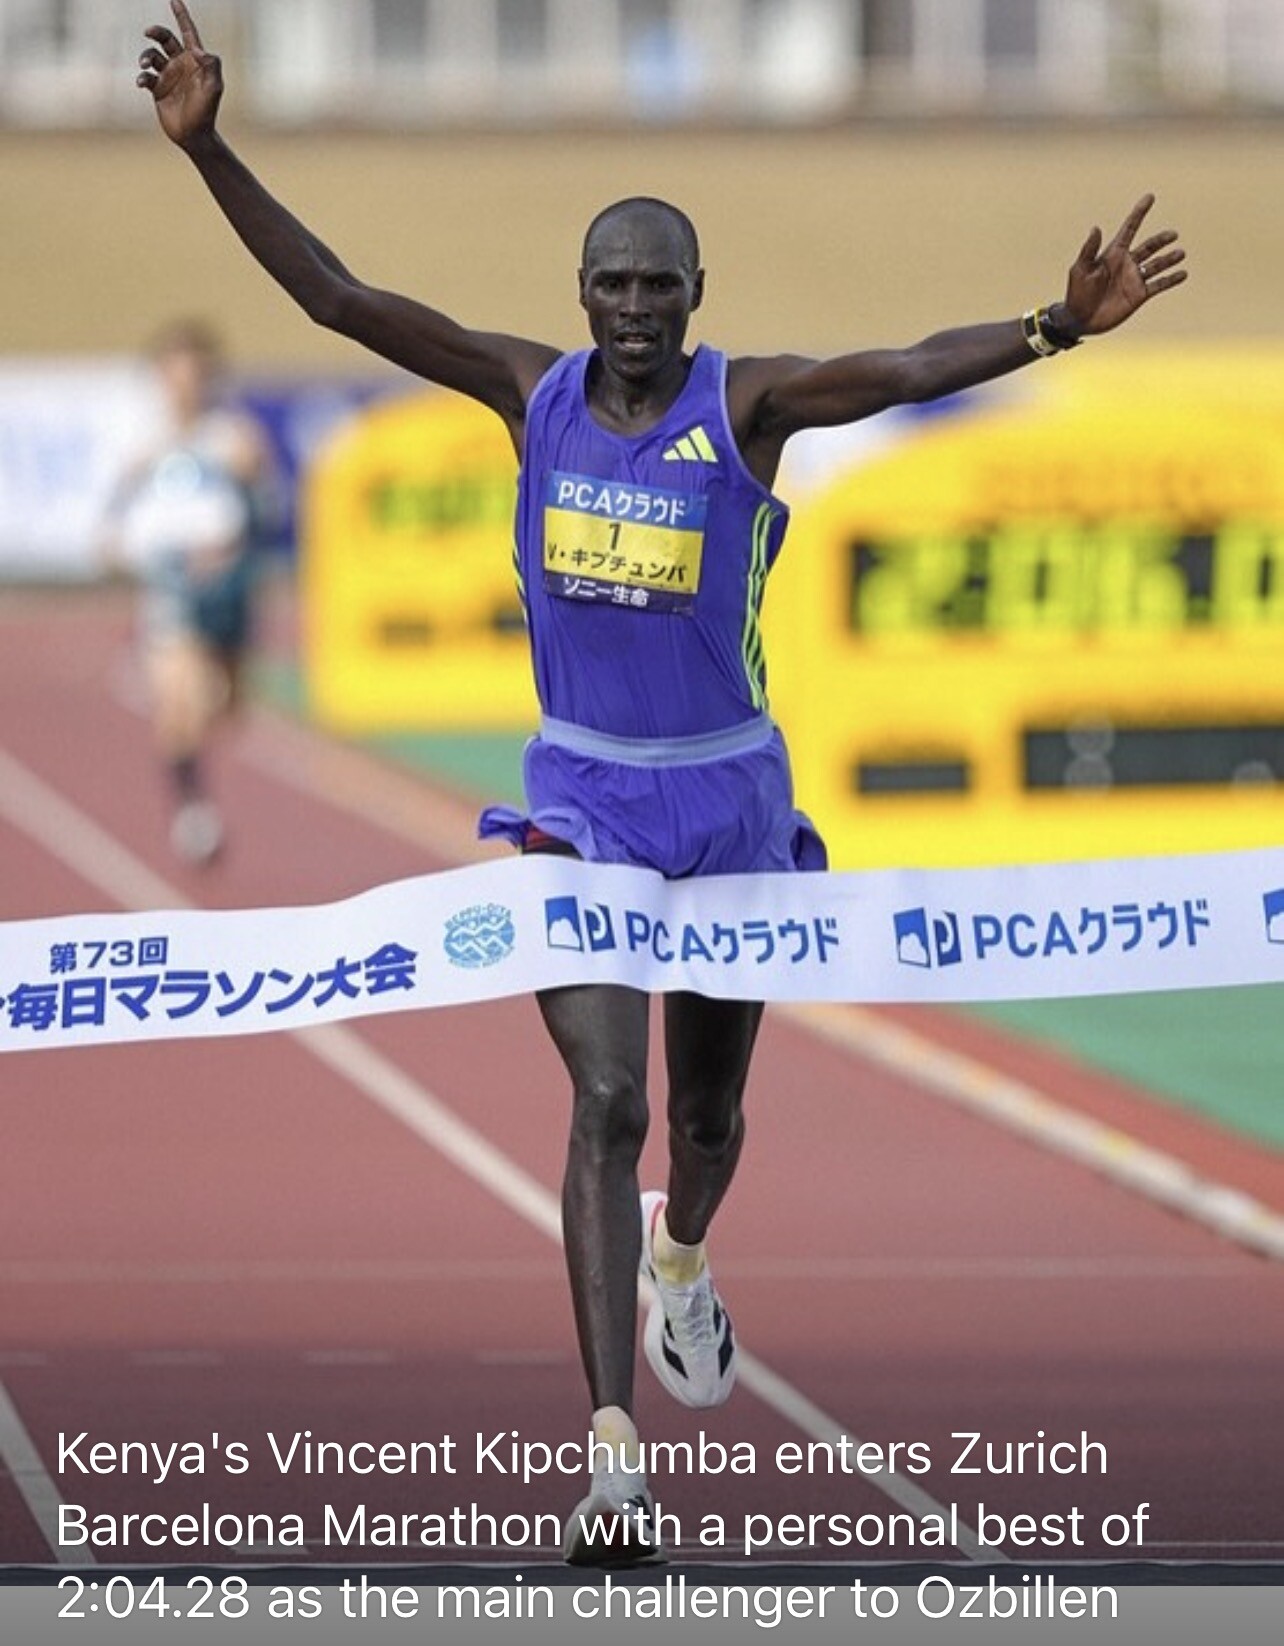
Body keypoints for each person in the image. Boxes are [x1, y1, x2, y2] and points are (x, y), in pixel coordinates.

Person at [137, 0, 1187, 1566]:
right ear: (582, 294)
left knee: (704, 1116)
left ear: (699, 297)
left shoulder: (745, 406)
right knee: (608, 1099)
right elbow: (343, 297)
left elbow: (901, 368)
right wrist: (211, 148)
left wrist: (1053, 326)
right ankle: (613, 1459)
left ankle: (683, 1259)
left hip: (729, 805)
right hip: (583, 807)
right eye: (613, 283)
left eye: (660, 285)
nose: (634, 307)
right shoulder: (529, 393)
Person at [102, 317, 275, 866]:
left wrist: (231, 550)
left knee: (226, 707)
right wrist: (131, 553)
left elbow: (268, 515)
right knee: (181, 701)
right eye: (174, 375)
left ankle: (193, 743)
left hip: (227, 595)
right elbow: (110, 529)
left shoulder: (234, 439)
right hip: (170, 593)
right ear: (159, 377)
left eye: (195, 375)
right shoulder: (140, 445)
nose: (185, 387)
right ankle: (193, 810)